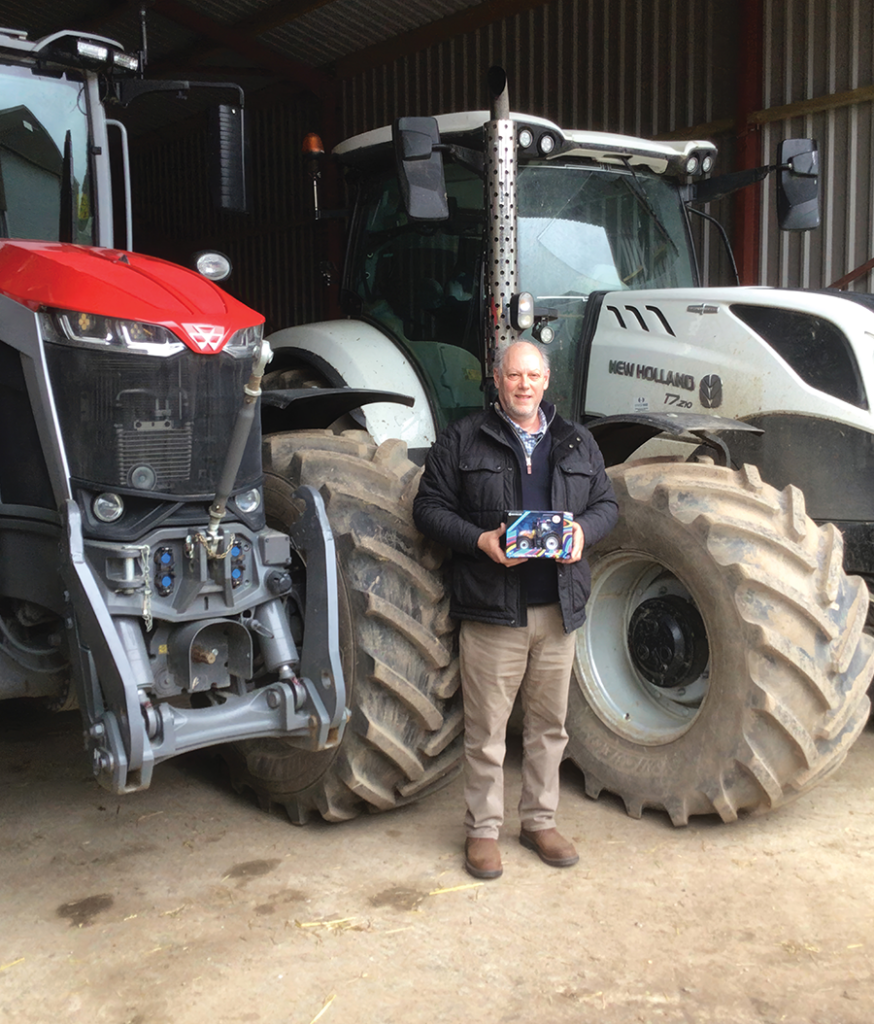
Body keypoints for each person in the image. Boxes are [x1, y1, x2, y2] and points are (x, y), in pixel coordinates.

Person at [413, 340, 618, 880]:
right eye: (513, 376)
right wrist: (480, 540)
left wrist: (583, 532)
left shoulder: (577, 441)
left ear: (547, 379)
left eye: (533, 375)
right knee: (486, 731)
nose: (523, 385)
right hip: (492, 613)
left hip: (557, 611)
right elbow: (428, 508)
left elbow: (607, 504)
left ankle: (539, 822)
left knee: (550, 726)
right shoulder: (464, 438)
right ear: (497, 381)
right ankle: (483, 831)